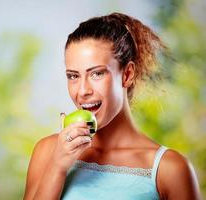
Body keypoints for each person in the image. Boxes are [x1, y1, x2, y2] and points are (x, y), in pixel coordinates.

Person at [23, 12, 201, 200]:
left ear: (127, 74)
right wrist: (57, 167)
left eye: (97, 73)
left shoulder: (169, 170)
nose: (83, 91)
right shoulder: (48, 151)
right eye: (73, 76)